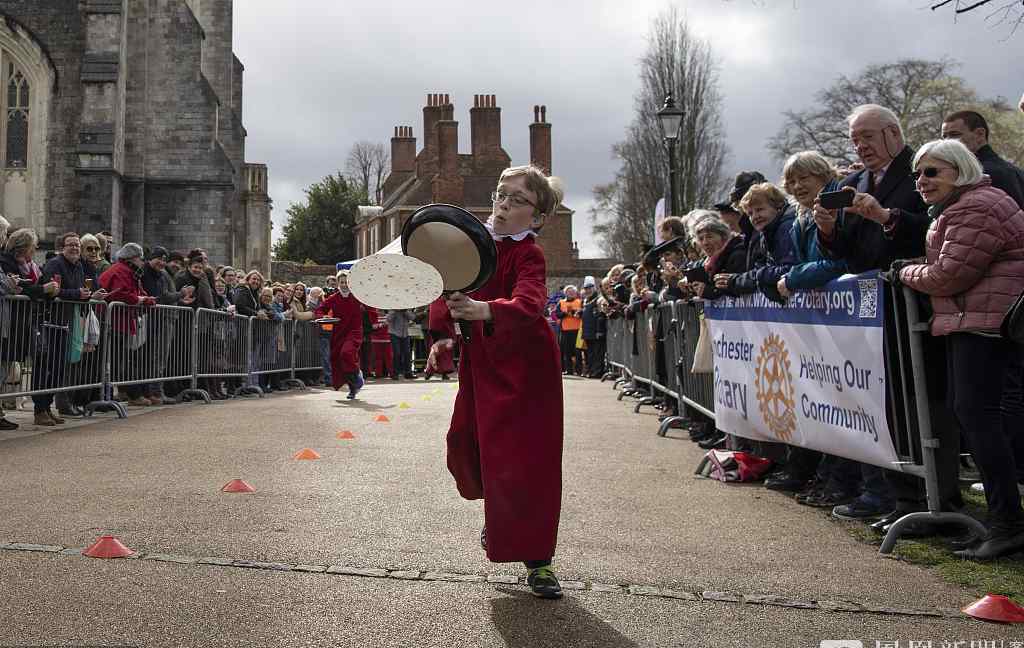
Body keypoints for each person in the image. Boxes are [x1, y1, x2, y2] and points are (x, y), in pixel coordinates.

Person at [428, 164, 565, 598]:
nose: (504, 204)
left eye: (517, 199)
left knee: (529, 464)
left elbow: (530, 301)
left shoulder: (530, 253)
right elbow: (446, 290)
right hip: (483, 363)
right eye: (500, 195)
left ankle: (539, 562)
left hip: (528, 370)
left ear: (537, 216)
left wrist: (488, 310)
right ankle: (502, 516)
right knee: (466, 444)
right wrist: (444, 338)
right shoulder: (475, 245)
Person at [897, 138, 1024, 560]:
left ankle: (1008, 524)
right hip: (978, 323)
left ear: (961, 170)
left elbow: (948, 275)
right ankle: (1003, 520)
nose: (921, 181)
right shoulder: (961, 207)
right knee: (975, 417)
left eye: (932, 172)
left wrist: (905, 272)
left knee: (979, 419)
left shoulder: (977, 206)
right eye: (918, 173)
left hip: (987, 326)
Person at [40, 232, 102, 418]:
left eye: (76, 245)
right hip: (55, 322)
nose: (75, 248)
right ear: (62, 247)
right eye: (70, 245)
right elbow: (54, 291)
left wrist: (89, 296)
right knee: (53, 366)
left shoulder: (78, 266)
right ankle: (45, 407)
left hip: (71, 320)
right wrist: (77, 294)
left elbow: (80, 291)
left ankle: (53, 406)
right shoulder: (55, 265)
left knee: (65, 365)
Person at [715, 182, 796, 304]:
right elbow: (762, 269)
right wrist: (737, 280)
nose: (755, 217)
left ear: (777, 206)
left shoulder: (786, 227)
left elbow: (789, 268)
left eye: (759, 210)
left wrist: (761, 274)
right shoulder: (765, 232)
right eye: (750, 213)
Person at [99, 243, 156, 407]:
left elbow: (134, 292)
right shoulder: (122, 271)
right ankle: (131, 394)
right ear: (132, 258)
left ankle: (124, 393)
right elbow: (121, 293)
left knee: (119, 361)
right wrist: (142, 300)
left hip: (119, 321)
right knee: (118, 361)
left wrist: (145, 299)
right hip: (115, 321)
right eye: (140, 258)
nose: (142, 262)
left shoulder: (126, 271)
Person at [941, 110, 1024, 208]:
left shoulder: (982, 174)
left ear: (980, 134)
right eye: (944, 137)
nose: (946, 142)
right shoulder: (1013, 170)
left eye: (954, 135)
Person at [315, 271, 364, 399]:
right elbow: (320, 309)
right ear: (338, 283)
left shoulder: (358, 297)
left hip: (354, 332)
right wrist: (323, 316)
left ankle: (357, 376)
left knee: (346, 353)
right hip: (339, 333)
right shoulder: (334, 298)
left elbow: (371, 306)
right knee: (339, 360)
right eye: (341, 282)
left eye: (346, 282)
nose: (344, 285)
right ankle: (353, 388)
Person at [557, 285, 583, 375]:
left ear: (575, 293)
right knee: (567, 351)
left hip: (577, 330)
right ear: (565, 293)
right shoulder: (561, 302)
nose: (571, 293)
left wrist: (577, 312)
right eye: (569, 292)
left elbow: (583, 313)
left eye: (572, 292)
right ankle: (569, 370)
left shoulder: (580, 302)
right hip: (565, 330)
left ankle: (579, 370)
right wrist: (564, 314)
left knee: (577, 351)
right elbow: (557, 314)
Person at [386, 309, 415, 379]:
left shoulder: (406, 309)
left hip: (405, 333)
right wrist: (396, 311)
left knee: (407, 353)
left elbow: (413, 317)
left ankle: (408, 373)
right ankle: (395, 373)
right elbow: (388, 319)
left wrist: (405, 312)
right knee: (397, 353)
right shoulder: (393, 309)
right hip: (394, 333)